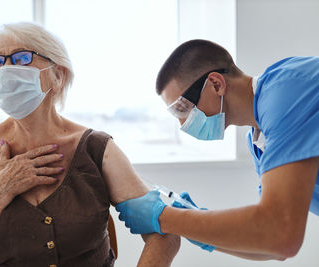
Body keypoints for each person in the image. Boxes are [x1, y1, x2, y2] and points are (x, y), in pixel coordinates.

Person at [0, 22, 180, 267]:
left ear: (58, 75)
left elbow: (165, 232)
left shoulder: (96, 149)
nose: (6, 69)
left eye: (22, 58)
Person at [116, 39, 319, 261]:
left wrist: (164, 217)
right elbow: (272, 248)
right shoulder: (259, 141)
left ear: (216, 84)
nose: (183, 124)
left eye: (182, 109)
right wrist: (200, 231)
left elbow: (280, 233)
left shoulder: (287, 90)